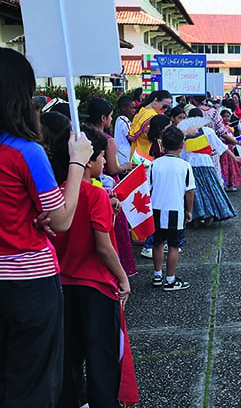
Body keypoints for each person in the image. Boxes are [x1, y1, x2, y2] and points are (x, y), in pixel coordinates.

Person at [0, 47, 93, 407]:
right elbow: (62, 218)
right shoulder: (26, 151)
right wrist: (77, 163)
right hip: (28, 281)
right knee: (33, 382)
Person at [52, 124, 131, 408]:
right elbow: (104, 247)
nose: (103, 163)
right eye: (99, 157)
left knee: (69, 355)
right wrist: (123, 278)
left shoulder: (58, 195)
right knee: (102, 358)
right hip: (96, 286)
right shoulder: (95, 194)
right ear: (87, 159)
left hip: (63, 285)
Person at [86, 97, 137, 277]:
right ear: (103, 118)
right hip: (108, 187)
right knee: (115, 230)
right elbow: (113, 168)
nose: (110, 120)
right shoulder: (107, 140)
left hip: (87, 184)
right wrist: (126, 166)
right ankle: (119, 271)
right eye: (109, 116)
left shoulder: (82, 134)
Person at [149, 126, 196, 291]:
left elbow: (149, 188)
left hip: (156, 209)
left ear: (162, 145)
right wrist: (189, 210)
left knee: (158, 243)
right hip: (176, 211)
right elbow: (189, 192)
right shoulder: (185, 166)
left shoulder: (154, 164)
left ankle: (157, 275)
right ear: (182, 145)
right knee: (174, 246)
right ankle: (170, 280)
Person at [182, 108, 238, 227]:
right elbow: (221, 146)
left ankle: (196, 218)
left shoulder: (185, 132)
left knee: (194, 192)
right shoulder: (207, 131)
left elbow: (181, 152)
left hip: (190, 166)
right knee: (211, 190)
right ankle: (209, 217)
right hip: (206, 164)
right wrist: (235, 157)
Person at [128, 89, 172, 157]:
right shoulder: (152, 116)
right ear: (155, 100)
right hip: (147, 155)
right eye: (164, 106)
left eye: (168, 108)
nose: (165, 109)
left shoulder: (143, 110)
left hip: (137, 154)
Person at [114, 94, 136, 167]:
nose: (134, 110)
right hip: (125, 156)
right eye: (132, 108)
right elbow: (131, 137)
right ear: (123, 108)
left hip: (121, 156)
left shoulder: (119, 120)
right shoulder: (124, 120)